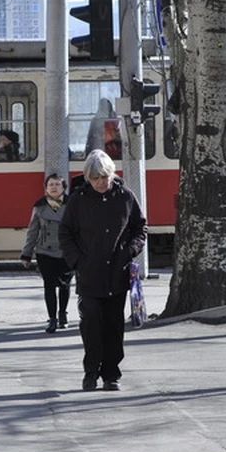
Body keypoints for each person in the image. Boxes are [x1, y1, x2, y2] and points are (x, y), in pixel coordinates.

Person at [59, 149, 147, 392]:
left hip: (117, 274)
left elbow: (140, 228)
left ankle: (111, 374)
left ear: (112, 174)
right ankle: (90, 372)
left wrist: (130, 250)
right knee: (91, 325)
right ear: (88, 178)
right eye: (95, 178)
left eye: (104, 177)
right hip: (89, 275)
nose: (100, 182)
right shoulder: (78, 200)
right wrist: (77, 261)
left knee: (114, 326)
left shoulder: (125, 197)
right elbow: (65, 233)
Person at [21, 173, 73, 333]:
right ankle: (52, 319)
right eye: (51, 184)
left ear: (63, 188)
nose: (54, 187)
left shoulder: (72, 205)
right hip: (45, 251)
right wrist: (26, 253)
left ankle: (63, 314)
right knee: (49, 286)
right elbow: (32, 231)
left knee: (65, 285)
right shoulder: (39, 206)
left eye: (57, 184)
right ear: (46, 188)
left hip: (66, 251)